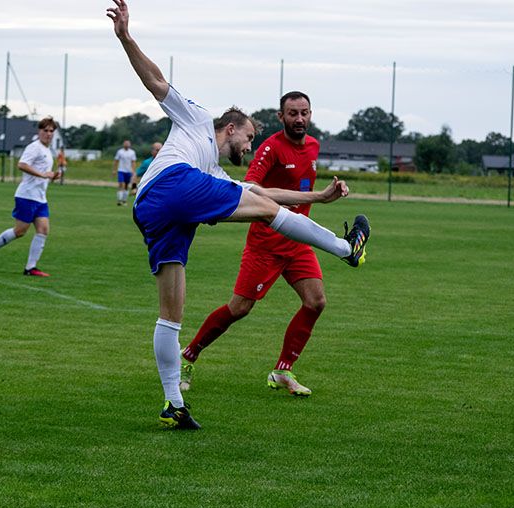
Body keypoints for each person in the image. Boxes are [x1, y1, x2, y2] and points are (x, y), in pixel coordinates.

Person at [107, 0, 369, 430]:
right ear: (230, 128)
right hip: (172, 185)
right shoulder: (194, 120)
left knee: (171, 312)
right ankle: (346, 249)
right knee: (264, 212)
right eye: (247, 138)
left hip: (151, 209)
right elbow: (154, 81)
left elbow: (265, 195)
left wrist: (318, 199)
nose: (248, 147)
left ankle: (173, 404)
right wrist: (126, 38)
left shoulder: (212, 173)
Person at [181, 91, 331, 397]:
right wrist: (279, 211)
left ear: (311, 114)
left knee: (316, 301)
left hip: (298, 243)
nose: (299, 119)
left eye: (304, 113)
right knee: (240, 308)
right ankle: (189, 355)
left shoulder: (314, 146)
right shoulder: (270, 148)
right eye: (292, 113)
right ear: (281, 117)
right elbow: (252, 185)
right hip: (267, 243)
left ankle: (282, 371)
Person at [0, 117, 61, 277]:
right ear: (39, 131)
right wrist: (43, 174)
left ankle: (30, 268)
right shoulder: (34, 147)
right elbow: (22, 165)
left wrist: (51, 176)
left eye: (52, 131)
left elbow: (42, 173)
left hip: (40, 198)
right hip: (27, 196)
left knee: (43, 230)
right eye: (46, 130)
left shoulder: (48, 151)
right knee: (20, 231)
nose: (49, 134)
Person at [114, 139, 136, 205]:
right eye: (125, 143)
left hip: (128, 171)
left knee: (126, 186)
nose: (126, 144)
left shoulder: (132, 152)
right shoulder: (120, 152)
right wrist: (114, 170)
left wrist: (133, 171)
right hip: (121, 170)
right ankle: (119, 200)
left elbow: (133, 162)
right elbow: (116, 161)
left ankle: (124, 200)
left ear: (130, 145)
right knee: (121, 184)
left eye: (128, 143)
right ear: (123, 144)